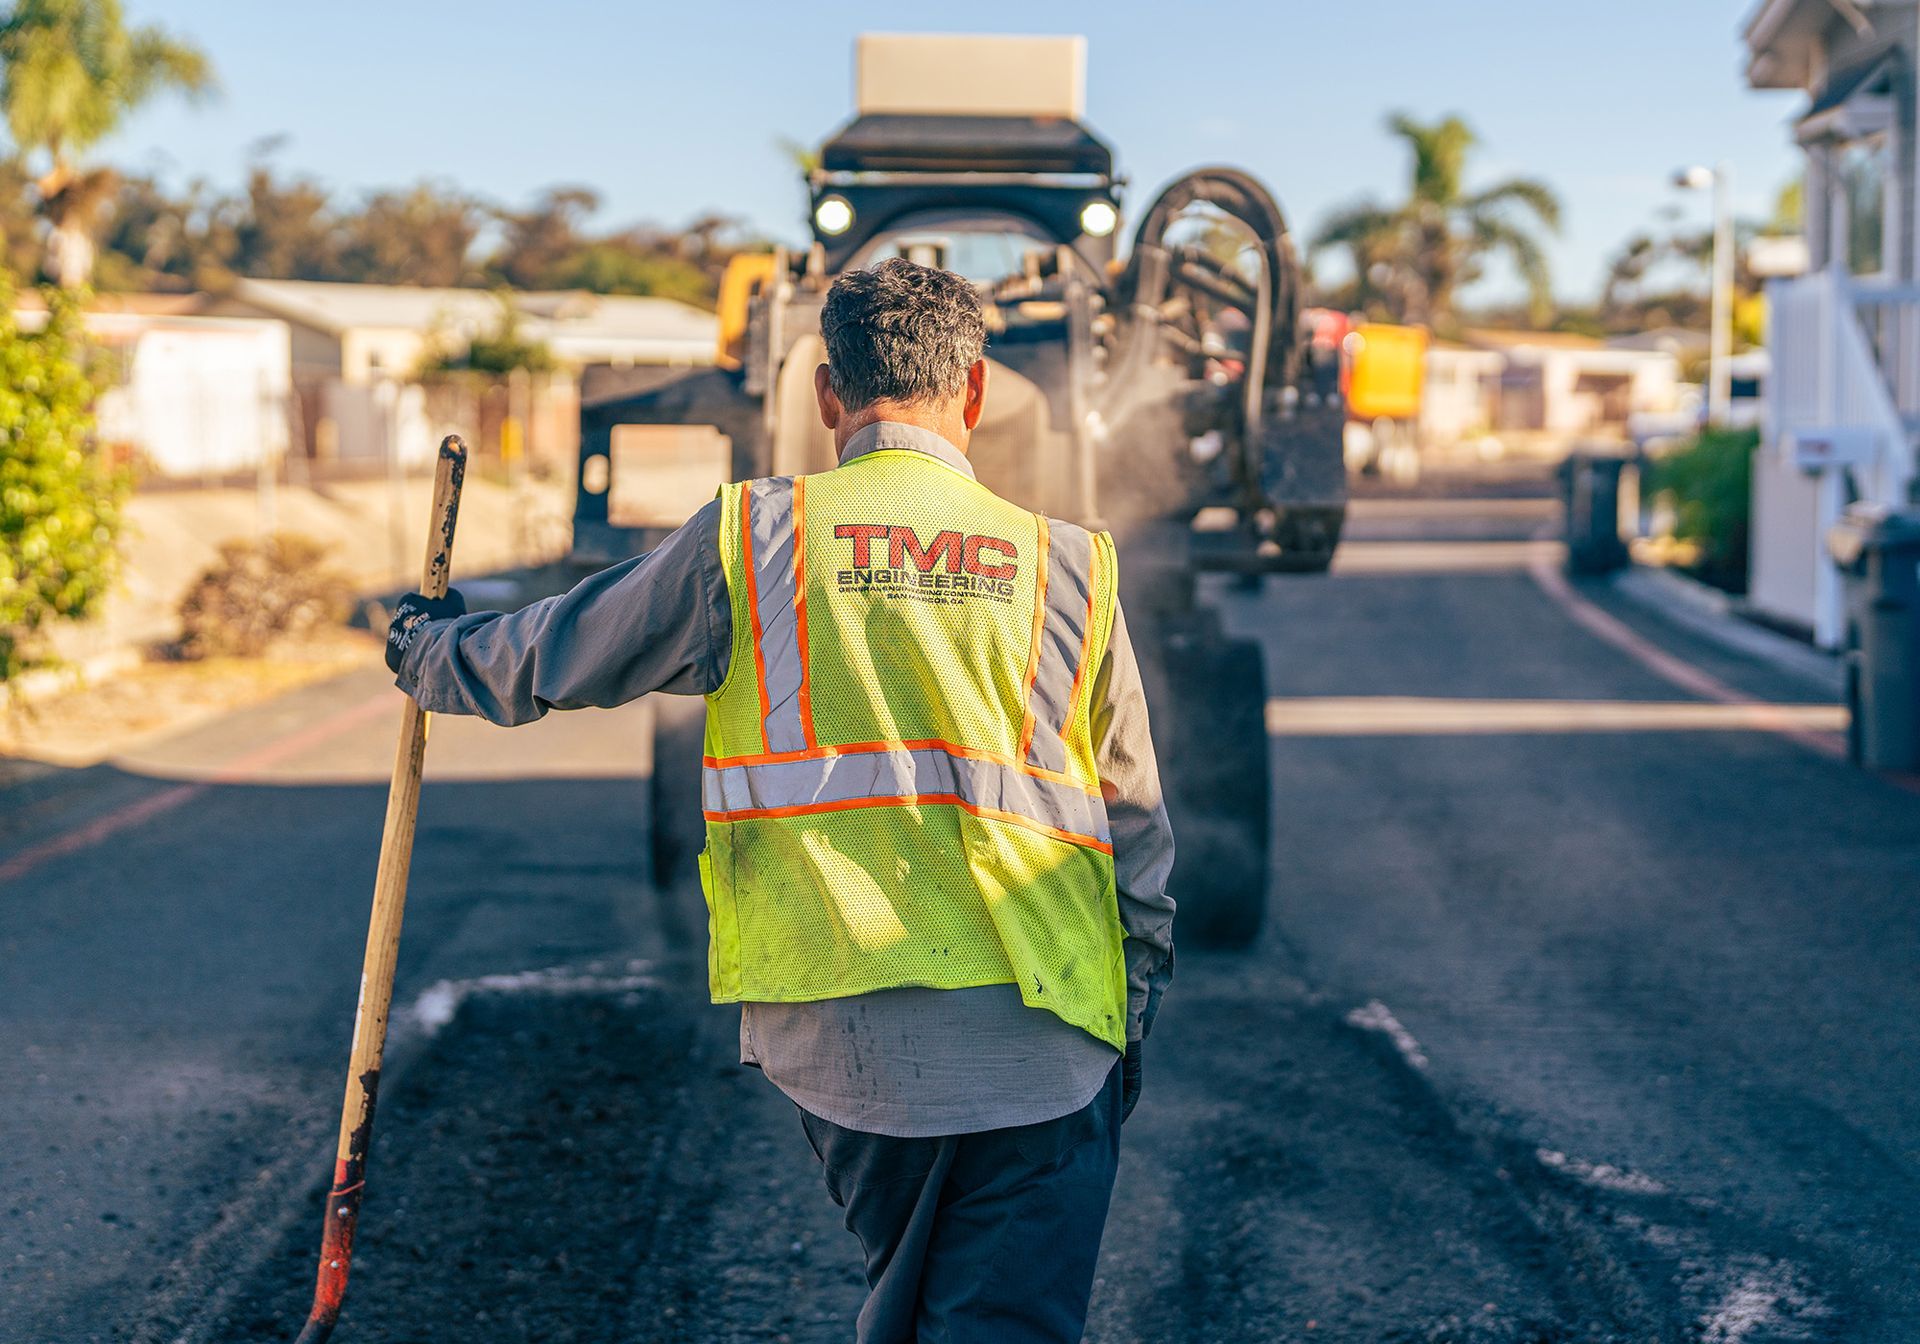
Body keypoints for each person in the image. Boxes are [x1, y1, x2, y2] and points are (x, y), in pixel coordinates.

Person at [387, 257, 1175, 1344]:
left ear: (825, 396)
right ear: (978, 392)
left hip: (845, 1045)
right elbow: (1133, 821)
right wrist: (1130, 1014)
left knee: (907, 1297)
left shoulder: (754, 540)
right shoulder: (1071, 567)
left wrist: (431, 655)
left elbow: (559, 653)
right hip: (1049, 1038)